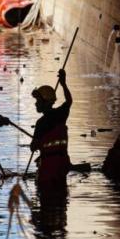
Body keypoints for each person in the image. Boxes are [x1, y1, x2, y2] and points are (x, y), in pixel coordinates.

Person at [30, 69, 72, 198]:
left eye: (38, 101)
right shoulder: (61, 114)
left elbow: (33, 147)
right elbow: (69, 101)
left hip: (48, 169)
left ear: (45, 102)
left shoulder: (41, 123)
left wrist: (35, 143)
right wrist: (64, 84)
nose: (36, 103)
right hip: (62, 166)